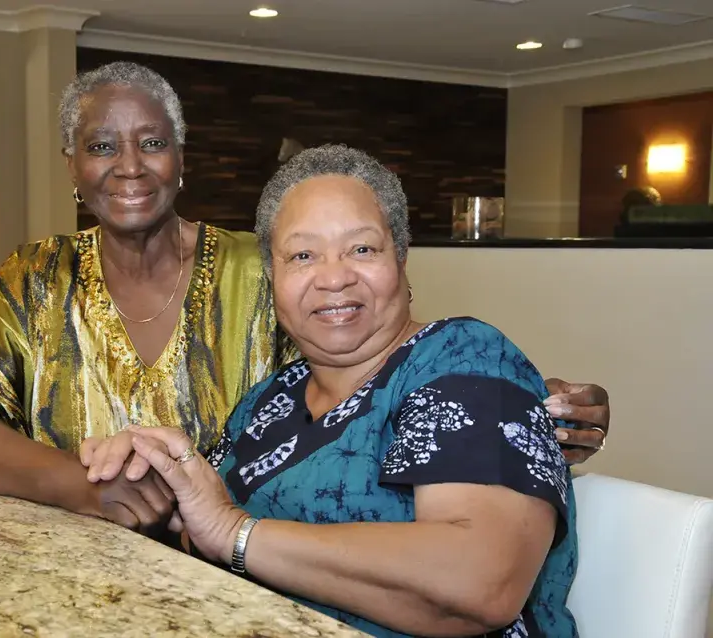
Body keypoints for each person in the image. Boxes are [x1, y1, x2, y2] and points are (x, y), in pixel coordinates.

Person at [0, 61, 609, 539]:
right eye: (101, 146)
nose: (129, 166)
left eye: (152, 142)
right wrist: (87, 489)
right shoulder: (35, 275)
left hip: (244, 570)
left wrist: (506, 405)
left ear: (180, 157)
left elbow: (372, 370)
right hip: (69, 555)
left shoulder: (263, 266)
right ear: (72, 163)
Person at [118, 144, 580, 637]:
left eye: (362, 249)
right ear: (273, 278)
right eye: (302, 255)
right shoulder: (270, 400)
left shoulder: (464, 361)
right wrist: (149, 475)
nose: (334, 277)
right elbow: (201, 530)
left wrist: (237, 534)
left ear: (401, 257)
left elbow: (481, 583)